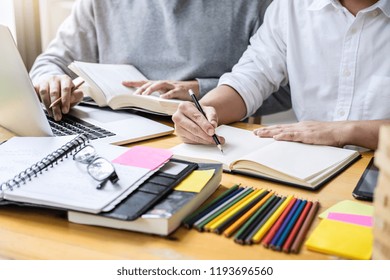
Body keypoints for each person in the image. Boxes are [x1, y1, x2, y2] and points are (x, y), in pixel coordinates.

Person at [172, 0, 390, 150]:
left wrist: (345, 131)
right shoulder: (291, 6)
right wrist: (205, 111)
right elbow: (253, 75)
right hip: (311, 164)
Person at [30, 0, 291, 121]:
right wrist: (49, 81)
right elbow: (50, 62)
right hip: (112, 132)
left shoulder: (256, 5)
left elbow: (285, 91)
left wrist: (200, 90)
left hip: (208, 136)